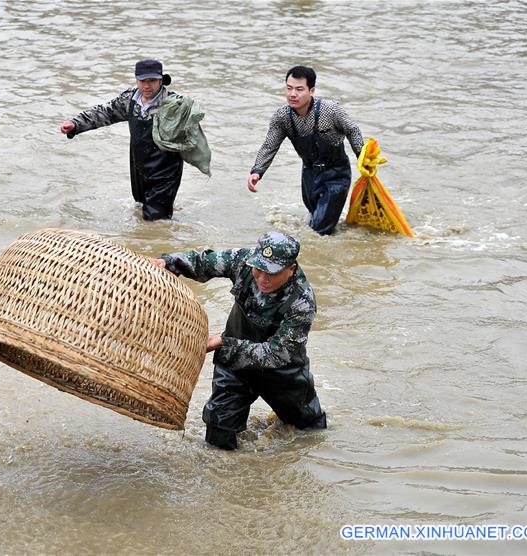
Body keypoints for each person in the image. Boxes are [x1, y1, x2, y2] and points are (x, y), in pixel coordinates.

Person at [151, 231, 327, 450]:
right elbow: (204, 262)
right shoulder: (243, 261)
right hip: (235, 367)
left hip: (282, 374)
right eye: (259, 269)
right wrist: (167, 263)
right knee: (218, 434)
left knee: (310, 432)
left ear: (291, 270)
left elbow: (277, 354)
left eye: (271, 273)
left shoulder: (302, 301)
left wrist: (223, 343)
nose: (263, 279)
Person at [58, 59, 184, 221]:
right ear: (136, 80)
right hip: (138, 166)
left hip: (165, 171)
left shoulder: (175, 104)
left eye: (152, 81)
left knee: (156, 220)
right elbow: (104, 113)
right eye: (142, 81)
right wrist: (75, 124)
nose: (147, 86)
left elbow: (192, 136)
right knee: (140, 206)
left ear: (161, 80)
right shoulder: (130, 100)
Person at [247, 66, 364, 235]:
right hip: (309, 174)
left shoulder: (330, 110)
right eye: (289, 88)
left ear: (312, 90)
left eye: (299, 89)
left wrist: (362, 157)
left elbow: (352, 129)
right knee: (316, 218)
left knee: (317, 231)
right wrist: (257, 171)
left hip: (336, 174)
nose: (292, 94)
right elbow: (270, 145)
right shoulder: (282, 117)